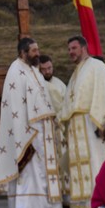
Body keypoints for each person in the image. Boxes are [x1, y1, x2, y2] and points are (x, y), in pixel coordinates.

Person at [0, 37, 63, 208]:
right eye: (34, 51)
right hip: (28, 132)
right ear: (23, 52)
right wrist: (24, 133)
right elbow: (16, 107)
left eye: (38, 50)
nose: (38, 53)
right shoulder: (15, 71)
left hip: (43, 131)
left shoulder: (34, 70)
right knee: (31, 170)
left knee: (43, 170)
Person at [60, 34, 105, 208]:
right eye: (69, 49)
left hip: (91, 124)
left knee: (95, 164)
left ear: (83, 48)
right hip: (77, 128)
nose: (70, 52)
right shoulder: (76, 72)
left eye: (74, 48)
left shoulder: (96, 66)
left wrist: (104, 123)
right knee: (78, 169)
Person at [39, 54, 69, 192]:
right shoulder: (37, 84)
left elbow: (66, 104)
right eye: (44, 69)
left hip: (60, 129)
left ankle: (65, 191)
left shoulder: (60, 84)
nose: (47, 71)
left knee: (62, 159)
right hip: (44, 129)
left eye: (49, 68)